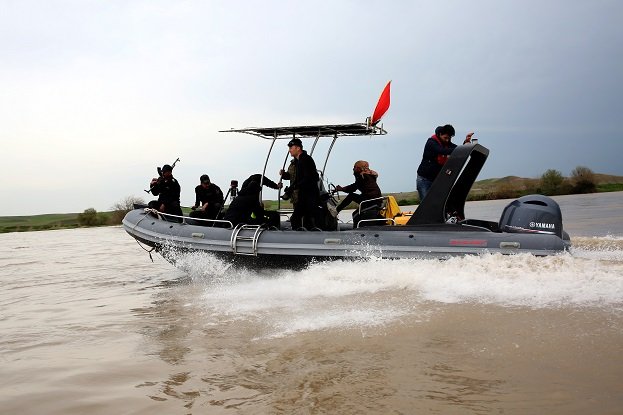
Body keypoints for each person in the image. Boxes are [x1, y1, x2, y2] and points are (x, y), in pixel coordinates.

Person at [416, 124, 474, 202]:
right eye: (445, 138)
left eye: (449, 138)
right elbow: (441, 151)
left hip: (437, 179)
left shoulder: (447, 143)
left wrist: (465, 143)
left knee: (438, 202)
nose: (447, 140)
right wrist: (460, 149)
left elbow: (458, 149)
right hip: (424, 180)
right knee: (425, 203)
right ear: (440, 134)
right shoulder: (431, 142)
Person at [287, 138, 321, 230]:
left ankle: (298, 238)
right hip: (303, 195)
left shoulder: (306, 159)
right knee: (304, 219)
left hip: (310, 195)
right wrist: (291, 187)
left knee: (296, 218)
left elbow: (309, 177)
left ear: (298, 148)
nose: (289, 150)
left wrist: (295, 186)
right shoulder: (298, 161)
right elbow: (298, 178)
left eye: (291, 148)